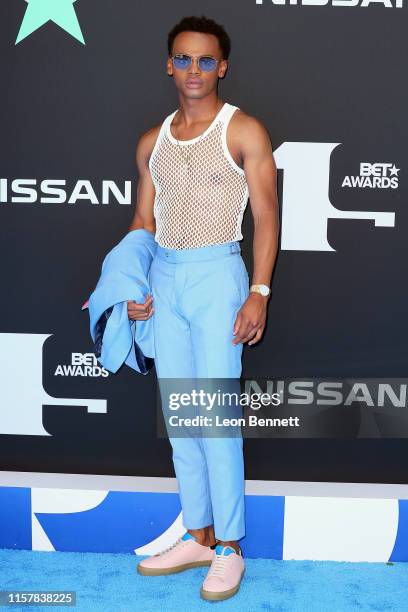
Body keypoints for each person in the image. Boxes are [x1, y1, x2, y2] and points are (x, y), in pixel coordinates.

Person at [127, 14, 279, 602]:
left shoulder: (244, 131)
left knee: (214, 421)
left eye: (206, 60)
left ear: (223, 66)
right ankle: (196, 535)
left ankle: (231, 548)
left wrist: (258, 292)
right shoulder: (151, 142)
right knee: (183, 420)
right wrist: (132, 287)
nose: (195, 70)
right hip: (164, 278)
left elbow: (267, 216)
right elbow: (144, 222)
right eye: (184, 59)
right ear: (170, 65)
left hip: (219, 275)